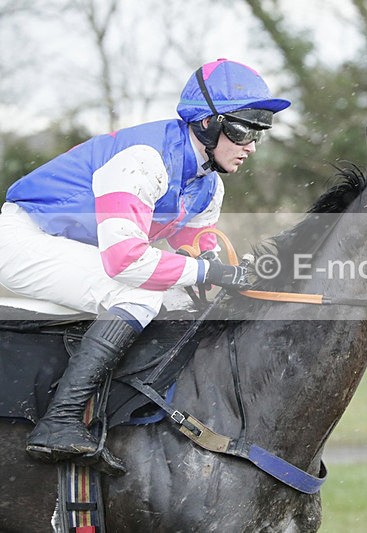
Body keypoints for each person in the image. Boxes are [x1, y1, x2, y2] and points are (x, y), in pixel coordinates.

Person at [0, 58, 290, 475]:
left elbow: (193, 244)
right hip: (25, 239)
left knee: (177, 298)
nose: (252, 146)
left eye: (260, 132)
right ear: (206, 123)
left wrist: (219, 265)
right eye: (244, 129)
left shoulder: (208, 184)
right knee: (137, 291)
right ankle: (59, 420)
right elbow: (126, 260)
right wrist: (209, 273)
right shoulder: (145, 159)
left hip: (76, 247)